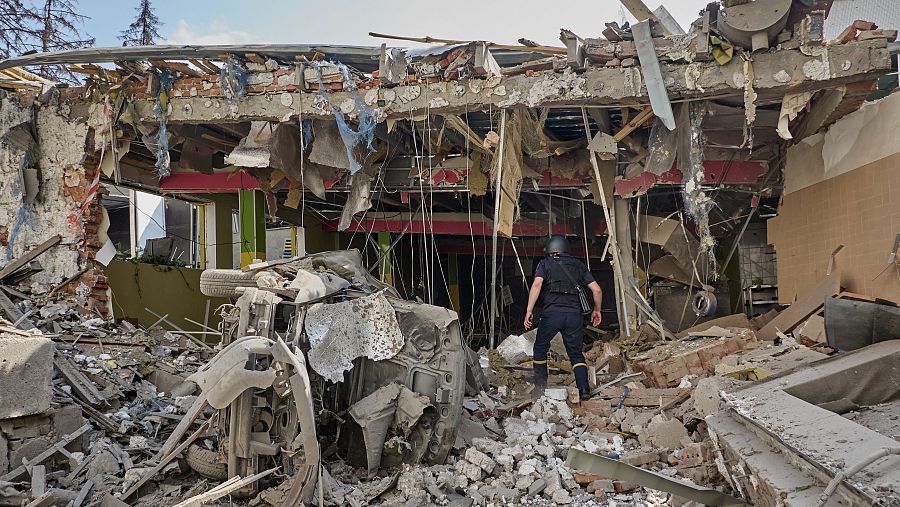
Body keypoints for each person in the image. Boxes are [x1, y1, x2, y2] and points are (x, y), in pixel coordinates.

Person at [524, 235, 602, 400]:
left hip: (551, 315)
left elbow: (537, 284)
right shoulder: (578, 265)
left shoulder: (545, 264)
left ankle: (540, 389)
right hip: (574, 316)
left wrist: (529, 310)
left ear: (551, 251)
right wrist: (597, 310)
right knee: (575, 353)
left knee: (540, 349)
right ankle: (584, 390)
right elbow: (597, 290)